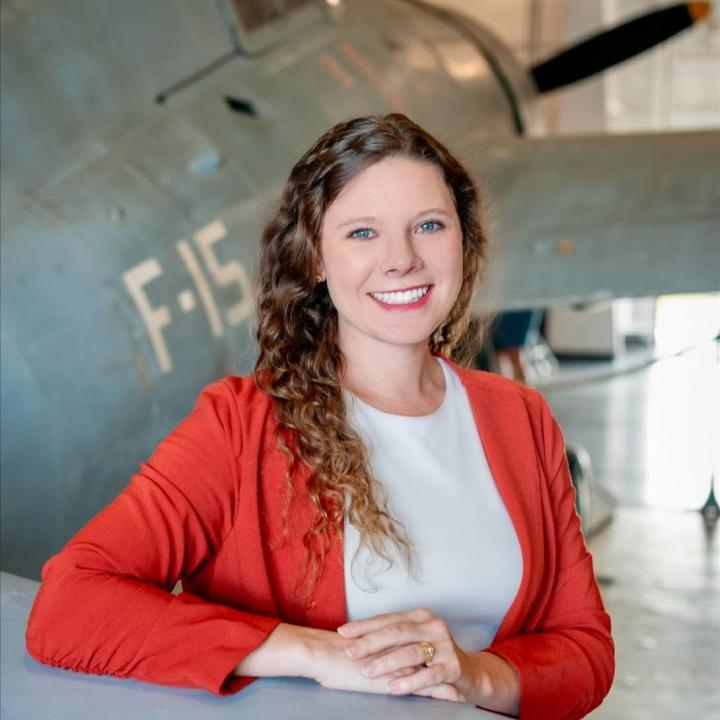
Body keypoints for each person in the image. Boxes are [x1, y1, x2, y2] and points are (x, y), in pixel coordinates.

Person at [25, 114, 614, 719]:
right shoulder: (239, 425)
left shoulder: (520, 417)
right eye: (363, 233)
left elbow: (585, 648)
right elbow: (69, 604)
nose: (401, 259)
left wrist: (474, 676)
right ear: (314, 259)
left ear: (463, 242)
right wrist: (313, 653)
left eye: (429, 226)